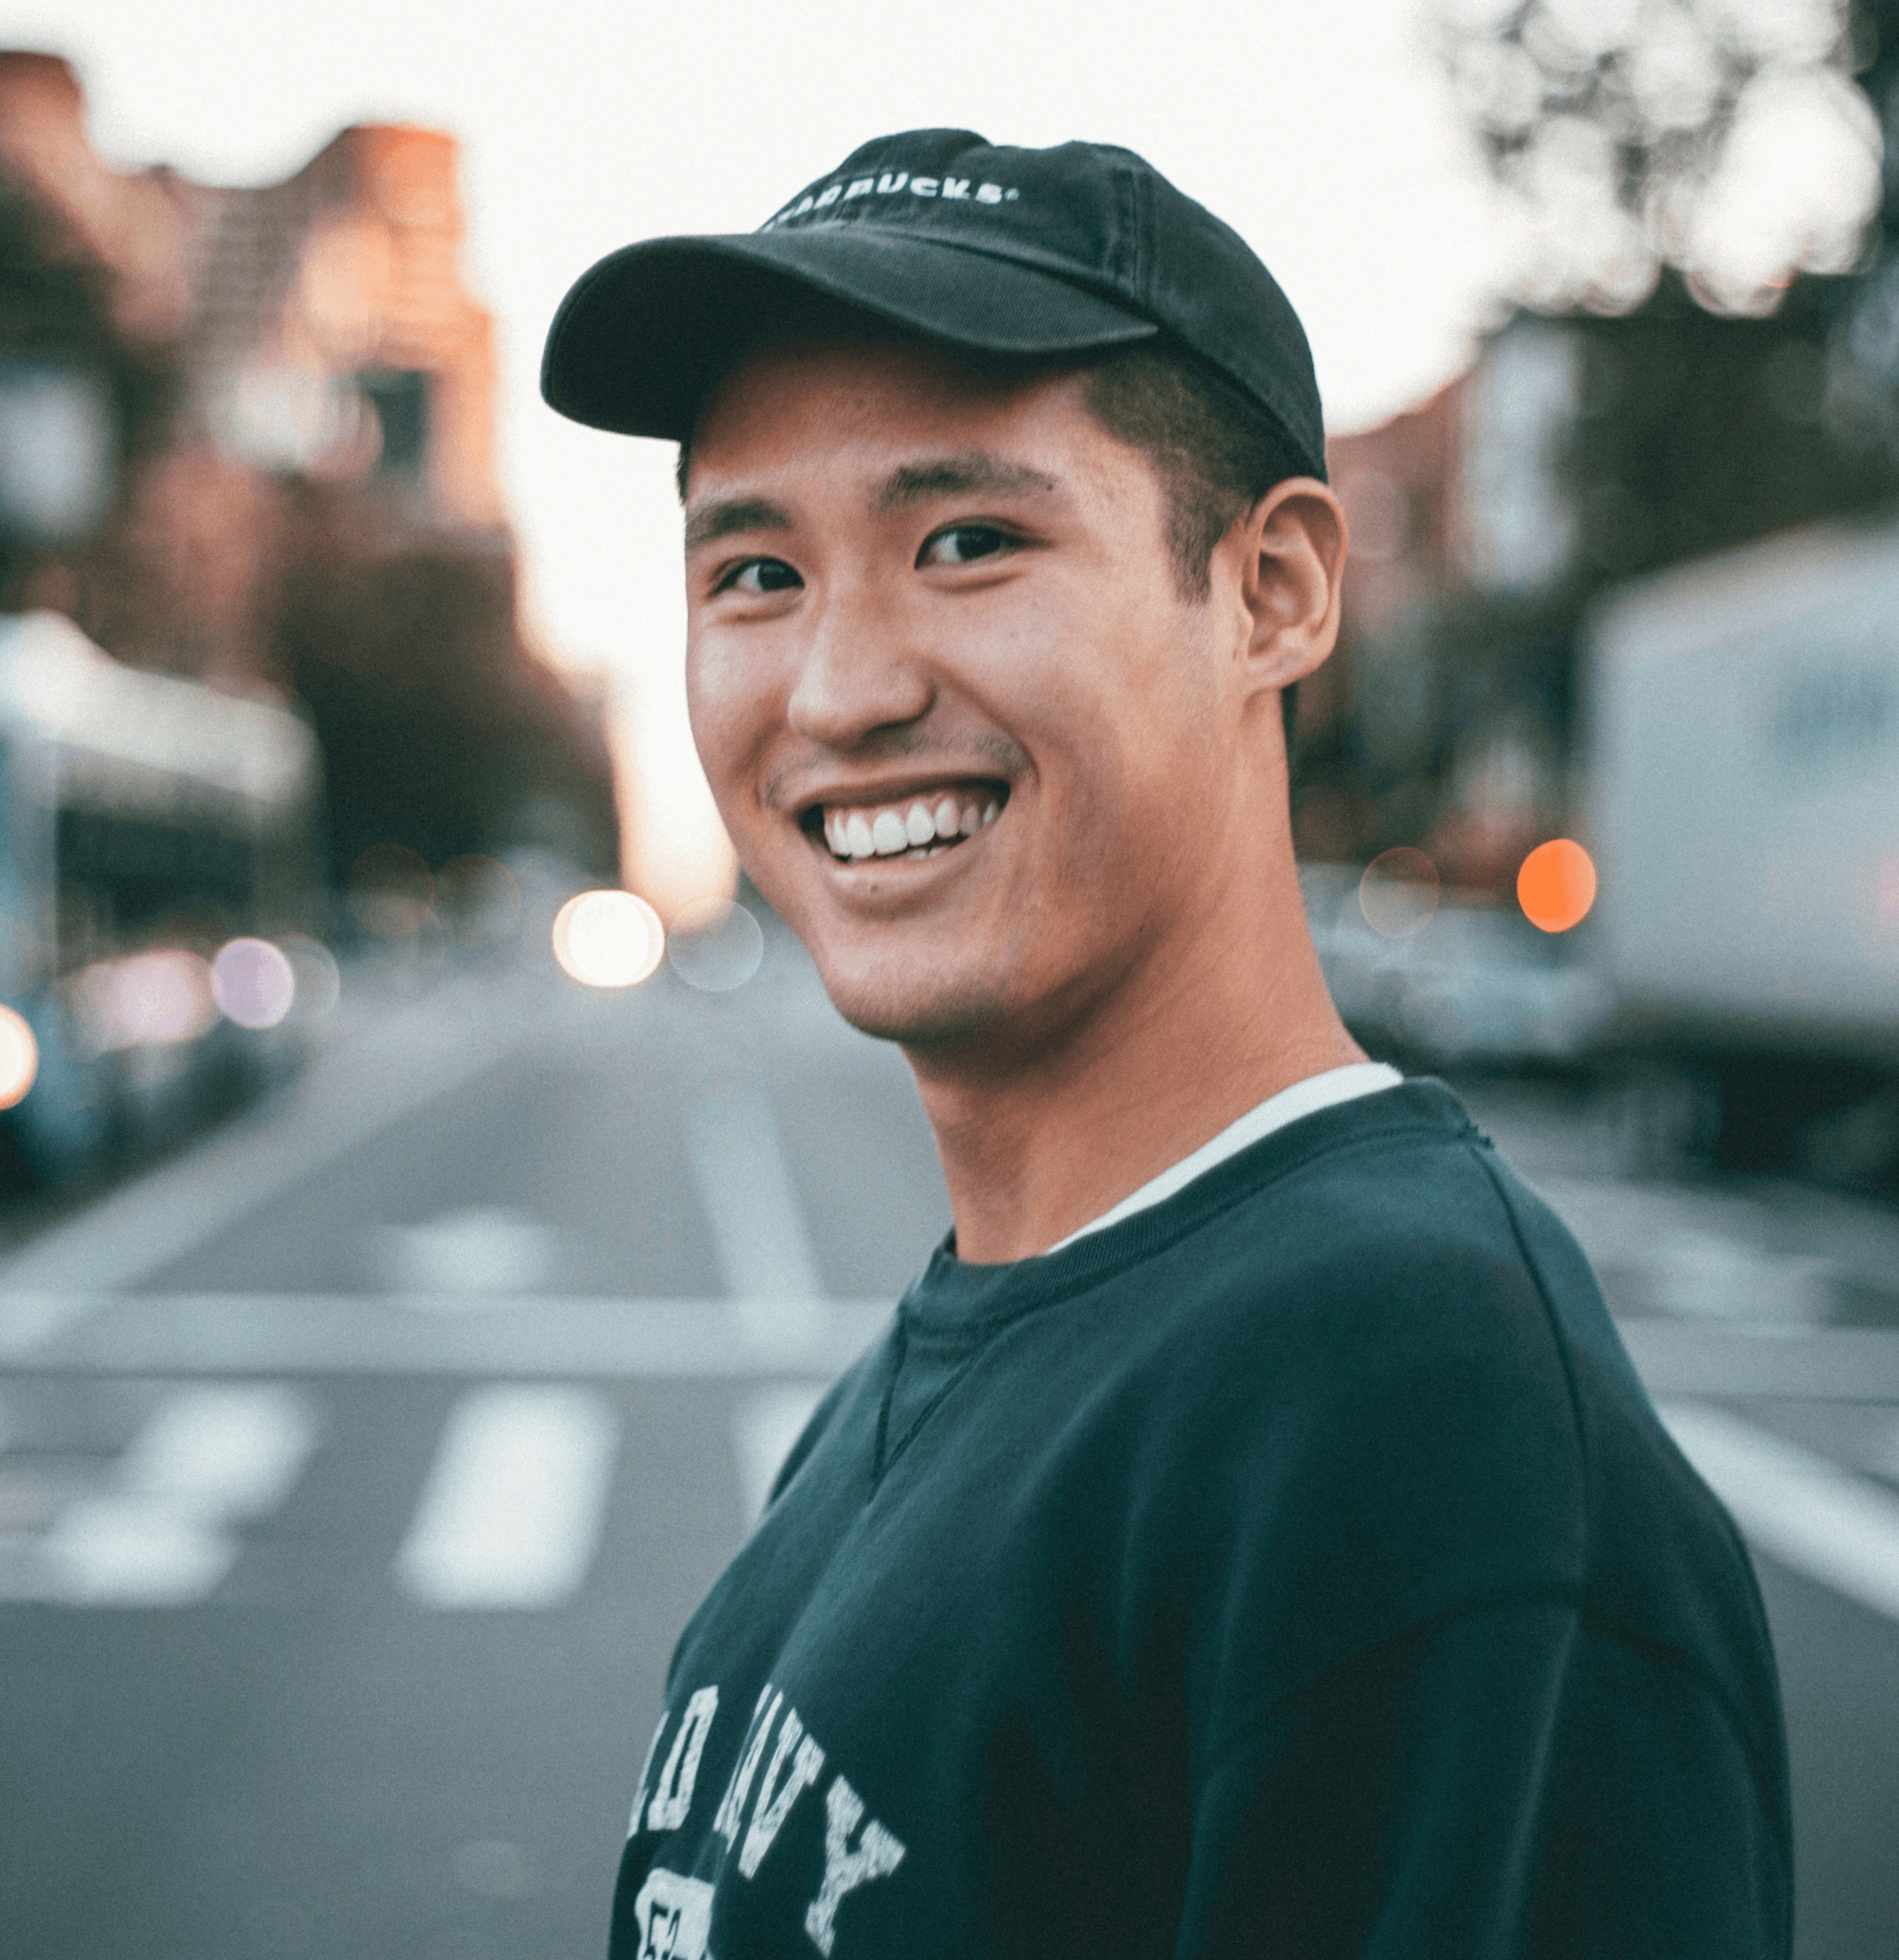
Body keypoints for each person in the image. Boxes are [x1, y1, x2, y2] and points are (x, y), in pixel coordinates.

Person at [542, 131, 1790, 1959]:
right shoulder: (961, 1357)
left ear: (1272, 593)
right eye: (752, 574)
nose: (838, 687)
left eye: (968, 541)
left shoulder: (1408, 1419)